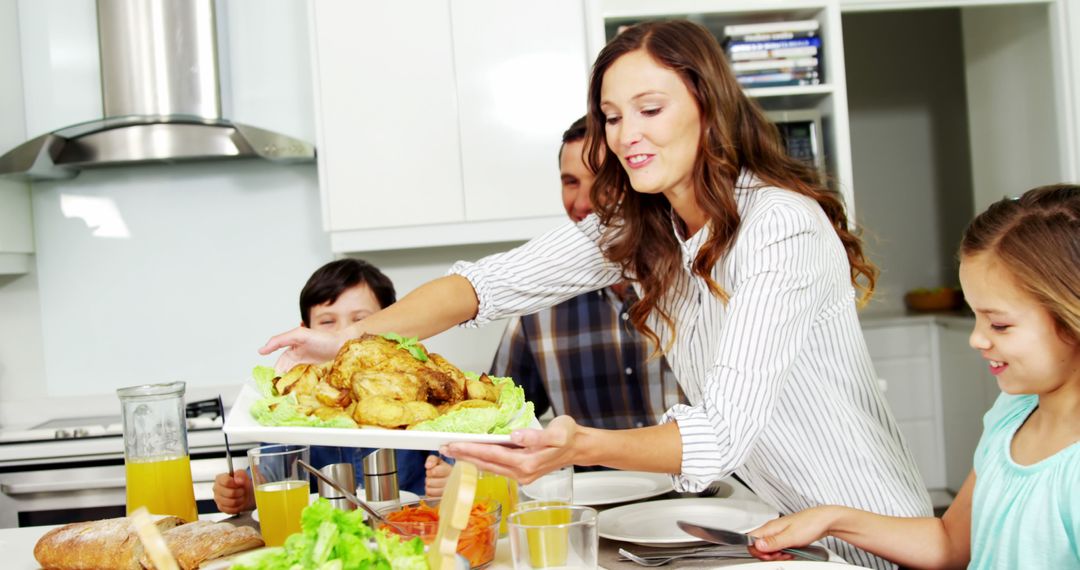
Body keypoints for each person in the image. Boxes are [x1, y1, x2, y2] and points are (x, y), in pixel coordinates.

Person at [260, 20, 929, 568]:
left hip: (880, 537)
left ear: (708, 104)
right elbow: (481, 285)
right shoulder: (645, 228)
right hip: (785, 532)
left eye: (650, 108)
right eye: (611, 116)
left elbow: (720, 433)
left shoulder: (778, 227)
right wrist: (353, 338)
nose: (626, 135)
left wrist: (576, 444)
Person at [747, 185, 1080, 569]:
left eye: (1000, 325)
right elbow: (950, 544)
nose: (977, 339)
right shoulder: (1012, 415)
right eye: (975, 316)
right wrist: (831, 520)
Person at [213, 259, 429, 514]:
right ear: (306, 332)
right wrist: (247, 492)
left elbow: (453, 462)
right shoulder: (295, 402)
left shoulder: (417, 391)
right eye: (327, 322)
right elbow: (272, 473)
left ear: (392, 326)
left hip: (409, 526)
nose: (344, 335)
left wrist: (449, 477)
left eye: (361, 321)